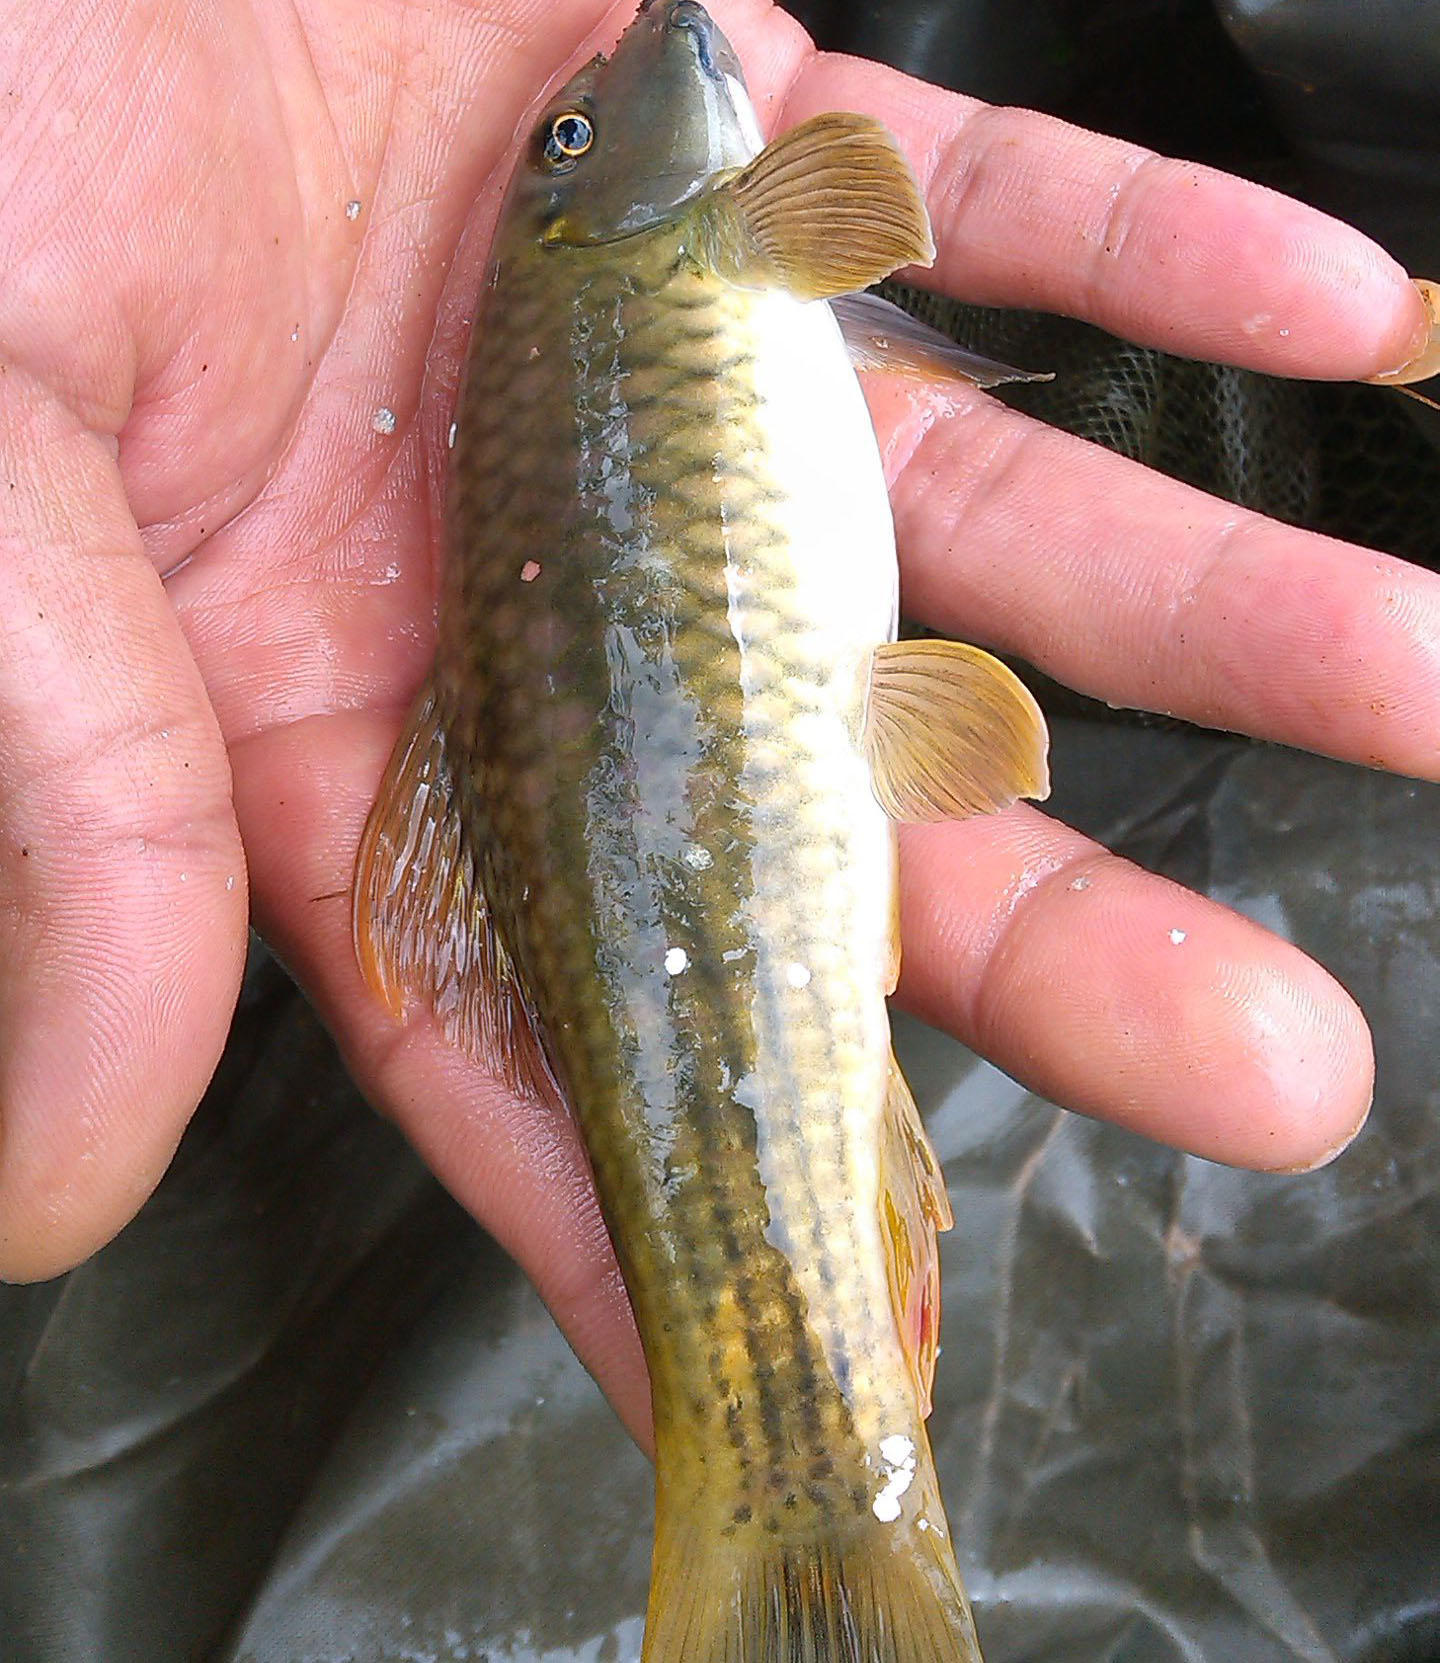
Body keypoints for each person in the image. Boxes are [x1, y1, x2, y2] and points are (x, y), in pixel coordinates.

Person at [0, 0, 1435, 1451]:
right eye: (573, 138)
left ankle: (799, 1465)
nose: (611, 80)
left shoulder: (660, 254)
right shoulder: (706, 236)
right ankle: (812, 1474)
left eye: (570, 138)